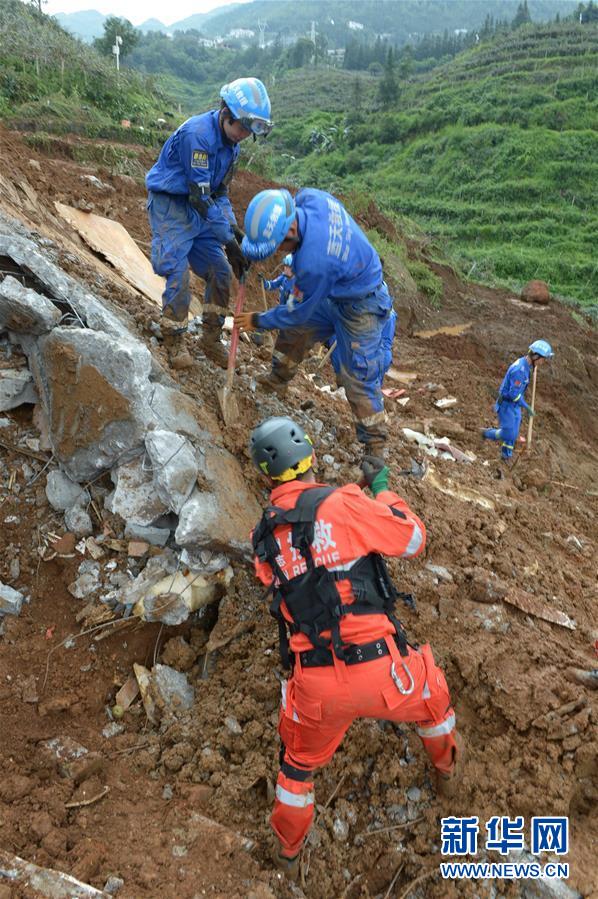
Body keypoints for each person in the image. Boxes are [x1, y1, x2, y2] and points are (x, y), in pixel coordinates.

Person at [249, 416, 461, 877]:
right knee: (434, 700)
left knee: (296, 767)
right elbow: (413, 538)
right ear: (310, 455)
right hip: (384, 673)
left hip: (314, 685)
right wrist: (381, 491)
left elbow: (285, 574)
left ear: (265, 476)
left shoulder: (261, 536)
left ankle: (287, 856)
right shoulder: (344, 503)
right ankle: (447, 775)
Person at [235, 188, 396, 457]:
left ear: (291, 230)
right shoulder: (309, 198)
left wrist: (258, 320)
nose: (279, 251)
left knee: (357, 374)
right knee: (296, 332)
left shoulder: (313, 262)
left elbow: (296, 311)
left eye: (279, 245)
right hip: (336, 289)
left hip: (363, 304)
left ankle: (375, 449)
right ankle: (277, 380)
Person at [145, 78, 272, 361]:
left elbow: (220, 193)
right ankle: (173, 339)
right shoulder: (198, 136)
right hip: (172, 204)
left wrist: (233, 230)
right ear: (226, 113)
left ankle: (211, 338)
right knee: (178, 271)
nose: (243, 135)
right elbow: (200, 197)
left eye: (249, 131)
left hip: (199, 207)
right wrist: (227, 240)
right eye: (241, 128)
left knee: (221, 271)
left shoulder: (232, 146)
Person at [483, 339, 554, 461]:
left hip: (514, 404)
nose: (543, 362)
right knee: (509, 434)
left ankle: (506, 456)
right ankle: (486, 433)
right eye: (543, 359)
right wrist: (526, 407)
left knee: (514, 432)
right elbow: (513, 394)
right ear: (535, 356)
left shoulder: (527, 366)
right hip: (506, 404)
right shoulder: (519, 371)